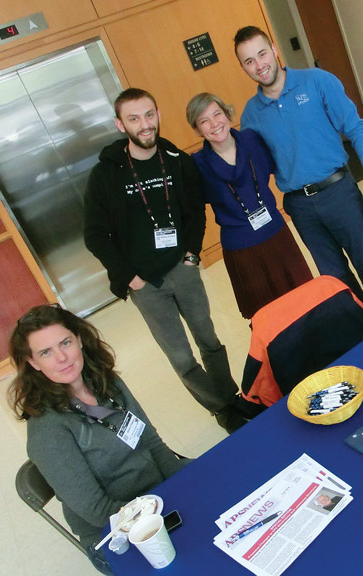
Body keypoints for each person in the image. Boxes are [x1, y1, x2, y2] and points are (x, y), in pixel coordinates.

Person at [84, 87, 247, 433]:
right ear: (119, 124)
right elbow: (95, 235)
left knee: (209, 340)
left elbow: (195, 214)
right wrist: (130, 277)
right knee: (181, 356)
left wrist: (191, 254)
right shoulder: (106, 175)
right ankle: (221, 409)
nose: (144, 125)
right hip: (145, 284)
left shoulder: (177, 161)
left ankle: (232, 397)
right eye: (134, 118)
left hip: (182, 269)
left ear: (157, 115)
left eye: (149, 115)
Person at [233, 26, 363, 325]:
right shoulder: (251, 114)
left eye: (261, 54)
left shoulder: (317, 81)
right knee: (334, 279)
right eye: (249, 61)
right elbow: (255, 167)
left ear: (274, 49)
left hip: (338, 192)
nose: (259, 65)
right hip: (299, 206)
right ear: (243, 67)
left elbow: (355, 127)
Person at [8, 305, 187, 575]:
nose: (61, 358)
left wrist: (184, 486)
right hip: (117, 530)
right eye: (46, 352)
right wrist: (157, 521)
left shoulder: (106, 381)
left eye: (65, 343)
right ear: (33, 363)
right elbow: (97, 510)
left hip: (158, 495)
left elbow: (150, 441)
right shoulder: (47, 430)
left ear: (79, 339)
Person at [186, 92, 312, 319]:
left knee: (305, 301)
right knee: (266, 317)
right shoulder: (197, 165)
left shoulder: (252, 140)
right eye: (204, 121)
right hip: (241, 248)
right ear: (197, 130)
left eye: (217, 114)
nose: (215, 124)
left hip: (277, 234)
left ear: (227, 113)